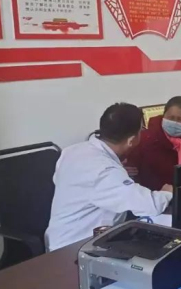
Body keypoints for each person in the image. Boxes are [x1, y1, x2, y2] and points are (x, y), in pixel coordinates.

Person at [45, 103, 173, 251]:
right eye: (141, 130)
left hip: (59, 238)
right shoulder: (104, 171)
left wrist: (118, 173)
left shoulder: (73, 151)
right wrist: (167, 192)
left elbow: (74, 181)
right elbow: (149, 206)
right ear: (131, 140)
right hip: (75, 248)